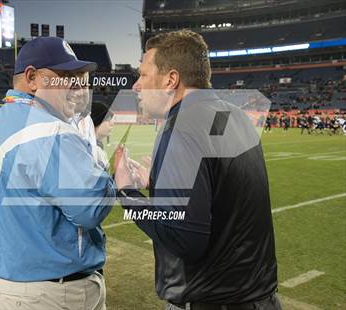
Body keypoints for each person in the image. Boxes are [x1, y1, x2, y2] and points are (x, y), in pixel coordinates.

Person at [114, 30, 281, 309]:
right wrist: (158, 182)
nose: (136, 86)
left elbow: (185, 239)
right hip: (260, 296)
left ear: (171, 80)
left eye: (143, 75)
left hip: (212, 299)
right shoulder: (234, 115)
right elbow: (220, 191)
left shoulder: (182, 125)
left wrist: (127, 193)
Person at [0, 37, 116, 310]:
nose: (74, 86)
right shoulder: (50, 129)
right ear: (32, 77)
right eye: (63, 76)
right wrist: (109, 175)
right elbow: (90, 209)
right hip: (44, 290)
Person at [90, 100, 114, 169]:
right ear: (96, 121)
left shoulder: (96, 147)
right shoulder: (94, 152)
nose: (112, 123)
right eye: (107, 119)